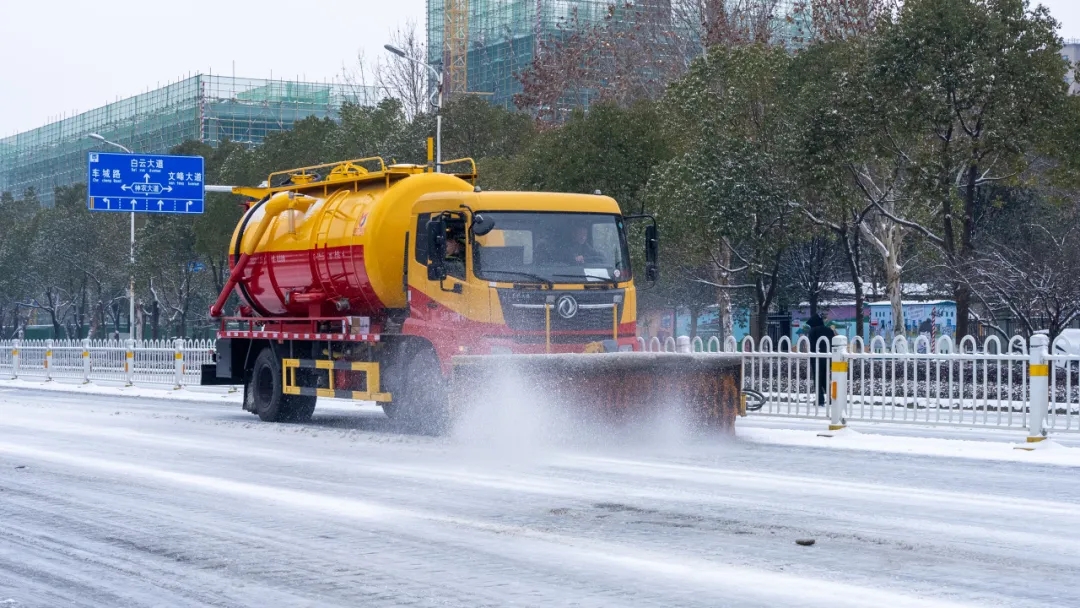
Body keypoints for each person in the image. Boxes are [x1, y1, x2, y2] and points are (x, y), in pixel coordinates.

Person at [806, 314, 836, 407]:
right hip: (828, 357)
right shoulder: (829, 330)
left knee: (817, 379)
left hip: (816, 358)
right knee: (826, 379)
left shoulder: (812, 331)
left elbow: (811, 345)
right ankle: (832, 398)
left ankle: (820, 400)